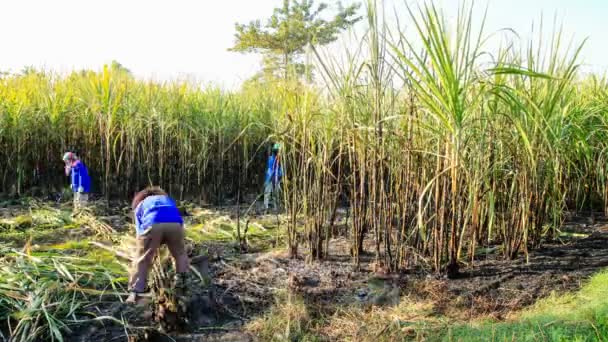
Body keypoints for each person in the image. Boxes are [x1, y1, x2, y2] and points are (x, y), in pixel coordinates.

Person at [127, 186, 190, 304]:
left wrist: (147, 248)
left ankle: (136, 289)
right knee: (180, 254)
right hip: (175, 224)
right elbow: (177, 218)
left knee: (143, 258)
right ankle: (181, 284)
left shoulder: (141, 204)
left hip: (153, 223)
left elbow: (140, 233)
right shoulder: (167, 199)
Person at [263, 143, 283, 213]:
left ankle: (276, 208)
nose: (276, 152)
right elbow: (269, 169)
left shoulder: (280, 160)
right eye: (276, 151)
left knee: (276, 194)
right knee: (267, 193)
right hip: (270, 179)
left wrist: (280, 175)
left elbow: (280, 169)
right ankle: (266, 208)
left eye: (277, 150)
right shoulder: (271, 159)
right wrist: (267, 179)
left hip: (276, 179)